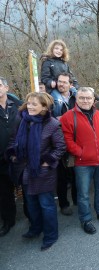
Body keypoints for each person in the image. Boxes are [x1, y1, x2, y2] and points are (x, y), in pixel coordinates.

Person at [7, 92, 66, 251]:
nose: (30, 106)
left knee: (46, 205)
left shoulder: (52, 124)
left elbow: (60, 147)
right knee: (31, 204)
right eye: (29, 103)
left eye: (34, 104)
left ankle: (51, 235)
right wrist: (13, 154)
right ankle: (35, 228)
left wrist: (47, 161)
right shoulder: (22, 120)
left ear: (44, 107)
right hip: (24, 171)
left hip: (42, 172)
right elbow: (13, 140)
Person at [60, 87, 99, 235]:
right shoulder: (68, 117)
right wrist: (81, 153)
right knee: (83, 194)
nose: (85, 101)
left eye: (88, 98)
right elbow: (68, 140)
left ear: (93, 99)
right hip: (82, 163)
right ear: (76, 99)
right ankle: (86, 219)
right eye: (82, 98)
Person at [51, 72, 77, 216]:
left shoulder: (75, 97)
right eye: (59, 81)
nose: (61, 84)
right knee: (61, 175)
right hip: (58, 140)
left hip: (75, 139)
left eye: (64, 82)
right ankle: (64, 204)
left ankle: (77, 199)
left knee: (76, 172)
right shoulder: (51, 98)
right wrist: (57, 119)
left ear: (70, 84)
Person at [0, 76, 22, 237]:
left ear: (6, 88)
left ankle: (32, 218)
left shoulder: (19, 106)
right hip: (1, 158)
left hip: (19, 156)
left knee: (26, 188)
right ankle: (8, 221)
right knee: (4, 192)